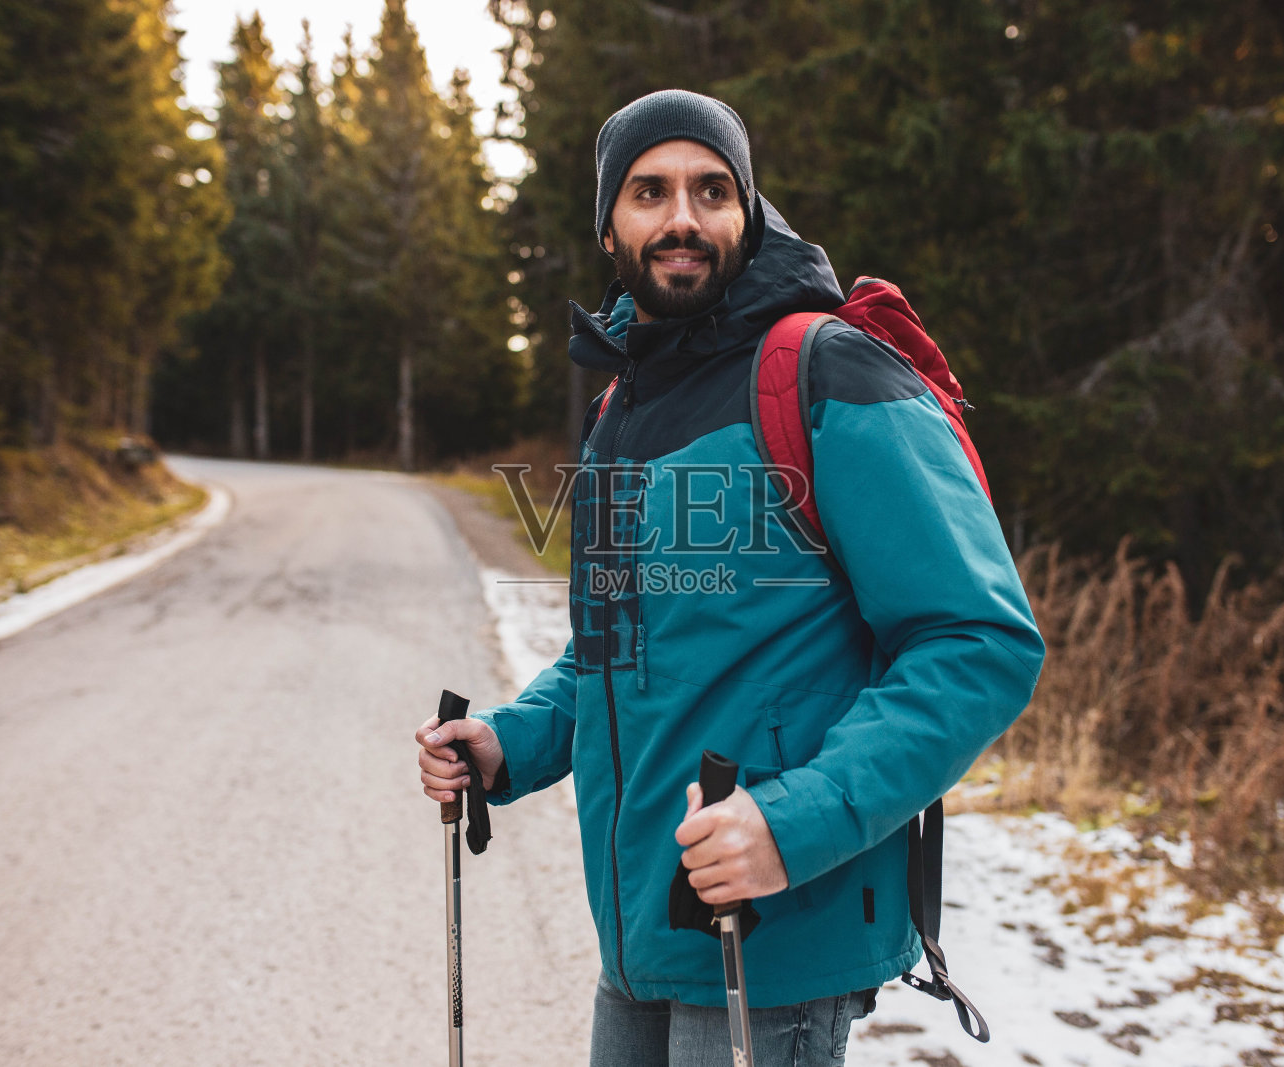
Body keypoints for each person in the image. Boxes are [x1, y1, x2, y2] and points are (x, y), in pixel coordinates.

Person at [416, 89, 1045, 1066]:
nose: (682, 217)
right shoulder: (623, 405)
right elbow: (611, 654)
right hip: (643, 937)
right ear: (608, 227)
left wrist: (789, 825)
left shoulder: (827, 370)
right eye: (649, 192)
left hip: (771, 945)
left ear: (747, 212)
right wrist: (509, 743)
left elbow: (980, 642)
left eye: (712, 190)